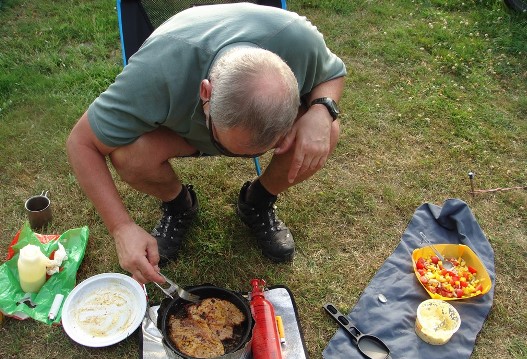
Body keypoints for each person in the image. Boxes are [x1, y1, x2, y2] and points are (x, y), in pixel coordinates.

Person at [66, 3, 346, 284]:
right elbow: (81, 143)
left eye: (259, 149)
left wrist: (322, 110)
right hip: (182, 133)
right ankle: (179, 205)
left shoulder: (297, 38)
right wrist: (121, 228)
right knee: (129, 154)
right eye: (233, 146)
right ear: (205, 93)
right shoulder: (155, 73)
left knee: (328, 130)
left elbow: (331, 73)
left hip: (222, 112)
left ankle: (257, 202)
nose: (238, 157)